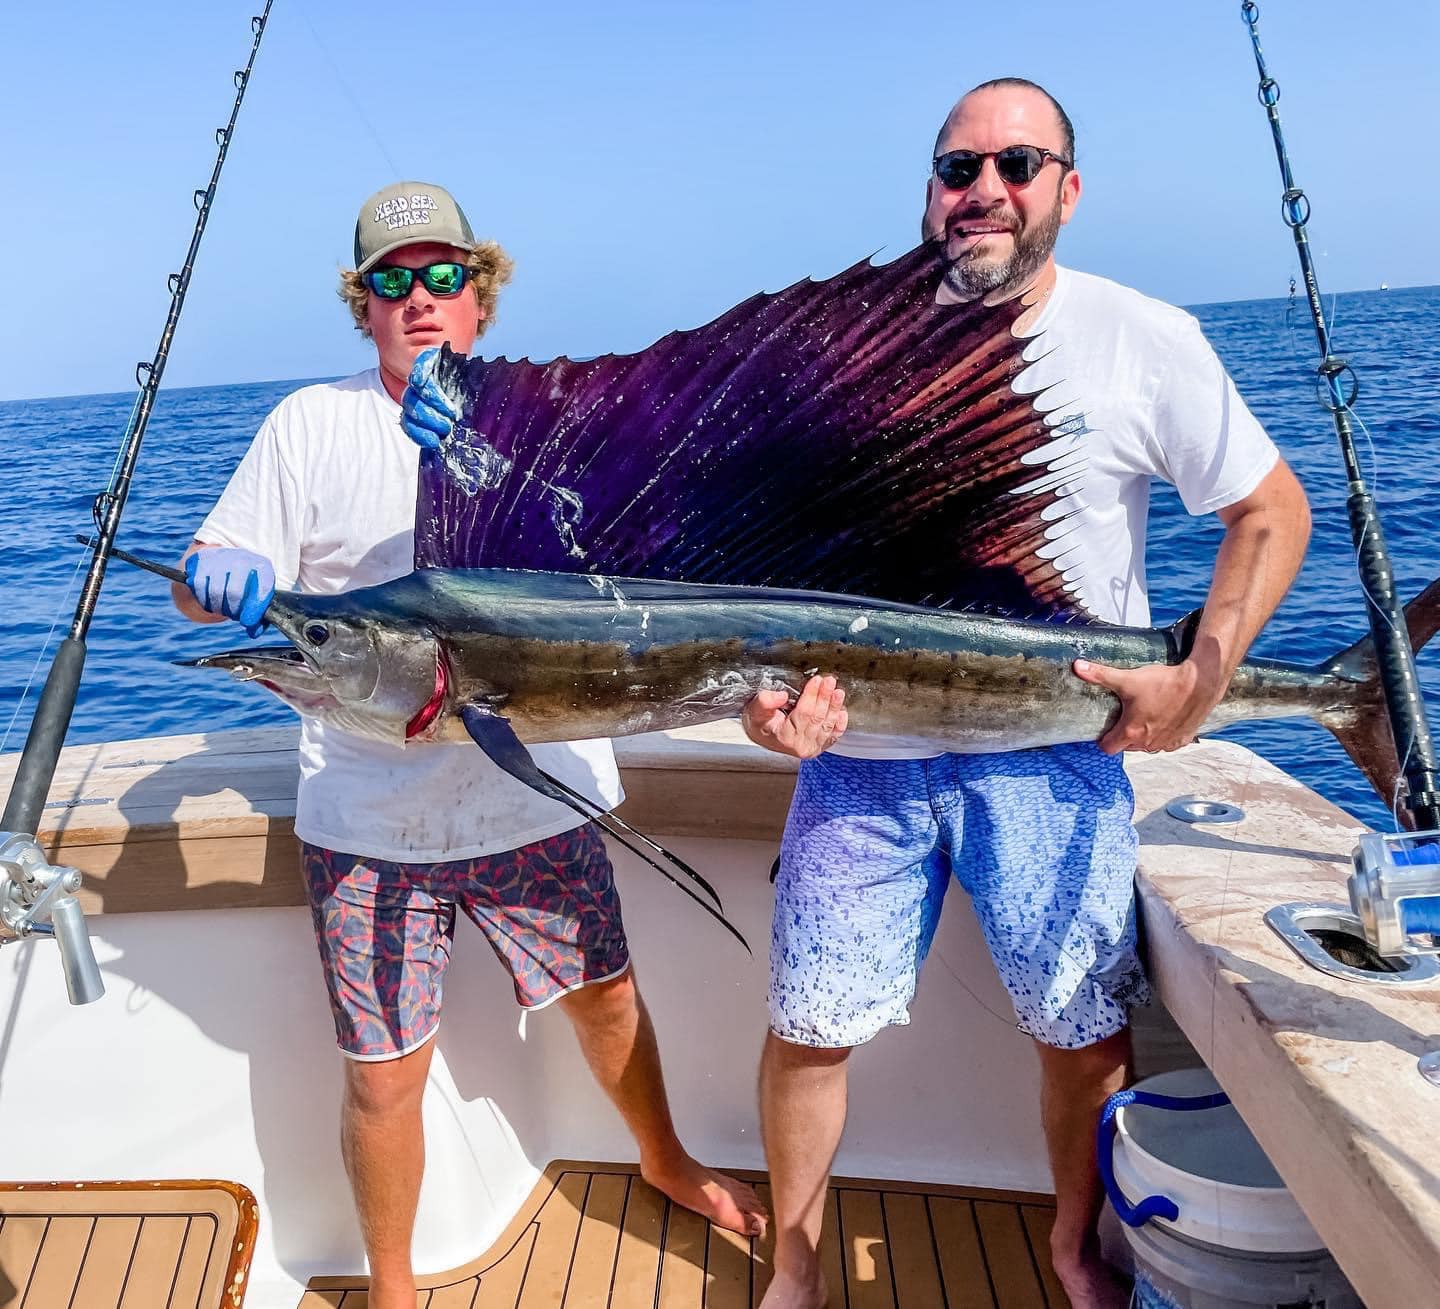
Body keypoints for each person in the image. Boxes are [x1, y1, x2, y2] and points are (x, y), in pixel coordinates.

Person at [740, 80, 1312, 1309]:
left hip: (1054, 749)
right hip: (863, 757)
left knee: (1078, 1025)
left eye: (1016, 162)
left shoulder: (1144, 338)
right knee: (807, 1021)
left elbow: (1271, 511)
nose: (983, 190)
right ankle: (791, 1262)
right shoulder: (847, 367)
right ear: (931, 192)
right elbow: (773, 591)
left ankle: (1071, 1243)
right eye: (958, 169)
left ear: (1067, 187)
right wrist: (765, 710)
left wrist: (1202, 676)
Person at [172, 181, 765, 1309]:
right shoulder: (306, 424)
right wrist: (218, 582)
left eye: (443, 276)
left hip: (537, 792)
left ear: (479, 298)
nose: (420, 299)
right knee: (385, 1081)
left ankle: (665, 1157)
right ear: (365, 307)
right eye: (392, 281)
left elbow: (616, 564)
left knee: (607, 998)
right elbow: (223, 565)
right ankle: (394, 1289)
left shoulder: (543, 434)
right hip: (368, 819)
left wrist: (493, 464)